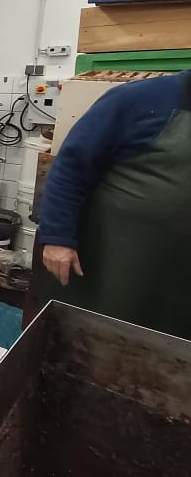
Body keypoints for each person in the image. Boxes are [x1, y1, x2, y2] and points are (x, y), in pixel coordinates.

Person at [35, 69, 191, 339]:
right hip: (117, 261)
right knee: (95, 339)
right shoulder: (136, 100)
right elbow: (71, 166)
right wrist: (57, 237)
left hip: (177, 274)